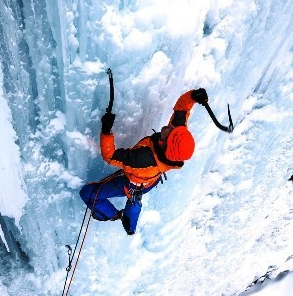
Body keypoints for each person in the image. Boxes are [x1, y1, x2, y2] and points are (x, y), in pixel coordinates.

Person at [79, 88, 209, 235]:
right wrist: (193, 96)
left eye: (170, 132)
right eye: (175, 129)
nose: (170, 126)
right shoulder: (177, 138)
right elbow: (182, 108)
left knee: (88, 193)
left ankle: (111, 215)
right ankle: (129, 224)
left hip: (133, 182)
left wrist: (106, 131)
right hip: (150, 181)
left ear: (164, 144)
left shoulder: (142, 159)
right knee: (135, 200)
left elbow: (110, 156)